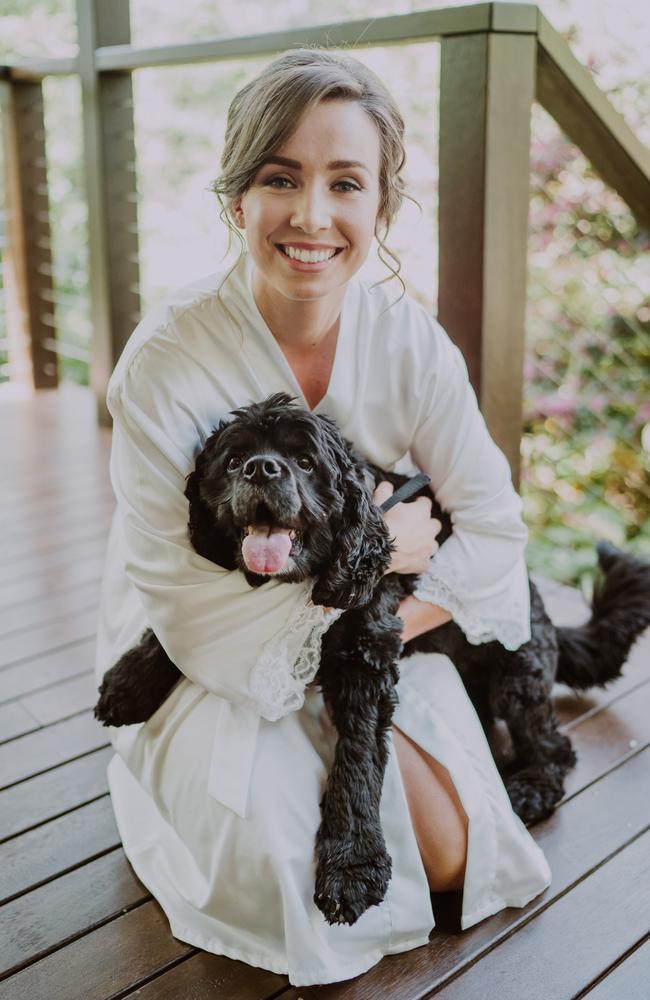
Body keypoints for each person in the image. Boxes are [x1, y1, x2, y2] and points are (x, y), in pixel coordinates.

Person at [94, 48, 551, 988]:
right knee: (277, 869)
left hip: (378, 630)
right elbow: (183, 596)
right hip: (206, 633)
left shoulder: (411, 345)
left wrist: (375, 616)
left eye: (346, 182)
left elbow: (496, 531)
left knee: (451, 854)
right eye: (280, 178)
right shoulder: (166, 358)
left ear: (380, 207)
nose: (311, 215)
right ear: (237, 201)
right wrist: (378, 556)